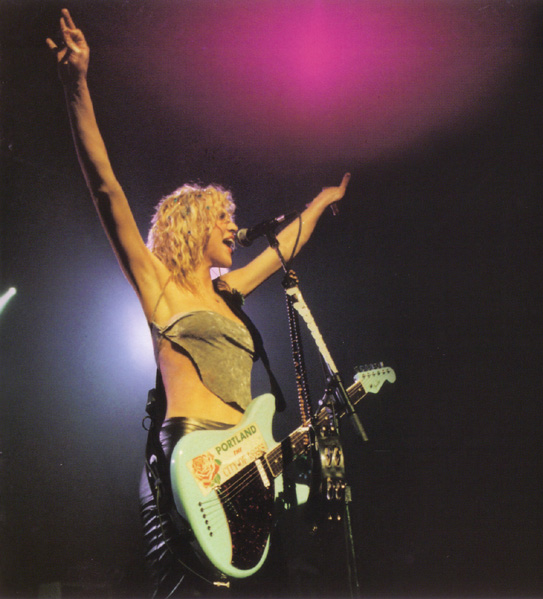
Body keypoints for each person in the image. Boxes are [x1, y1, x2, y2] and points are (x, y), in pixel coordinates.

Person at [47, 8, 350, 598]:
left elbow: (284, 248)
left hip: (246, 464)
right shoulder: (159, 285)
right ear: (191, 225)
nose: (235, 227)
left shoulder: (228, 292)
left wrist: (319, 204)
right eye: (223, 218)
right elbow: (106, 187)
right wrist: (77, 83)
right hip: (191, 460)